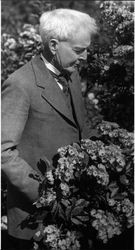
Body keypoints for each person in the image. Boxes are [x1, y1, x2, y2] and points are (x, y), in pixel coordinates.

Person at [1, 8, 97, 250]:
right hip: (35, 221)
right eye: (78, 50)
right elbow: (3, 150)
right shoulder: (20, 84)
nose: (85, 56)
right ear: (53, 45)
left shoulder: (71, 74)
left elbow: (80, 128)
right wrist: (44, 195)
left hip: (76, 212)